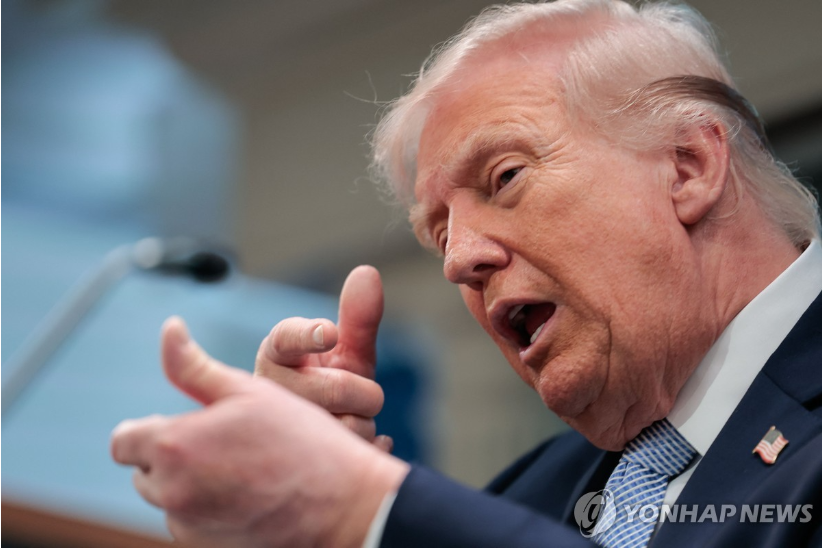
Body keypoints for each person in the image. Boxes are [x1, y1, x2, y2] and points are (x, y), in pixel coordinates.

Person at [110, 1, 822, 547]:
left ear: (688, 167)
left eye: (505, 177)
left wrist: (366, 509)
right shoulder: (525, 498)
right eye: (441, 234)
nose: (459, 261)